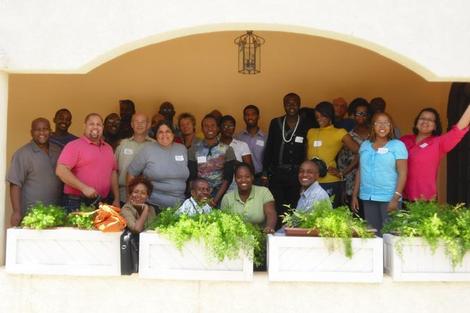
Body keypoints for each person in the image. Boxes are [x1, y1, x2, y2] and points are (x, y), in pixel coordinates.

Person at [352, 112, 408, 235]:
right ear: (373, 126)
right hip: (368, 197)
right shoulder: (365, 145)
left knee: (390, 235)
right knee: (373, 235)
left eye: (386, 123)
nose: (382, 126)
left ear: (391, 126)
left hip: (389, 198)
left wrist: (396, 198)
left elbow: (403, 173)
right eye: (378, 123)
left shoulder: (398, 146)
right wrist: (355, 195)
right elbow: (360, 171)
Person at [401, 105, 470, 201]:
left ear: (435, 126)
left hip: (425, 199)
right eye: (422, 118)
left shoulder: (438, 143)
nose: (425, 121)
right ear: (416, 122)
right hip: (401, 197)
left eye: (430, 120)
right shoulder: (404, 140)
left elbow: (459, 128)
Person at [56, 113, 120, 212]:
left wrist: (116, 198)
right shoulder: (74, 146)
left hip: (102, 202)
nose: (95, 127)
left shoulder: (108, 148)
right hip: (76, 201)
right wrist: (83, 188)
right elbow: (61, 171)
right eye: (91, 124)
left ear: (102, 127)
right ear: (84, 126)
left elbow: (113, 173)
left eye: (98, 124)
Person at [262, 93, 311, 223]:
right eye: (288, 103)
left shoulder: (306, 124)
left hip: (297, 174)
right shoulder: (275, 122)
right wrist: (265, 172)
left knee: (295, 206)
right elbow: (269, 148)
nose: (291, 105)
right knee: (278, 207)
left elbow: (308, 149)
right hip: (278, 173)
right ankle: (278, 235)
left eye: (294, 102)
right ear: (284, 105)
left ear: (299, 104)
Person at [7, 118, 62, 226]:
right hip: (31, 215)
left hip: (55, 213)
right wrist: (16, 212)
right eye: (38, 130)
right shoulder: (22, 154)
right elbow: (15, 184)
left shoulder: (57, 150)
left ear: (50, 131)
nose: (42, 133)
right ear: (31, 133)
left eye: (45, 129)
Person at [307, 101, 359, 207]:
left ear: (330, 116)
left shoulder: (339, 132)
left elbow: (361, 151)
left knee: (328, 218)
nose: (319, 119)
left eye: (322, 116)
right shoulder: (311, 132)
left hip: (329, 181)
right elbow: (307, 155)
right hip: (311, 181)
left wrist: (343, 172)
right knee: (311, 217)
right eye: (317, 117)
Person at [127, 120, 189, 209]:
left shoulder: (182, 149)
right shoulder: (147, 149)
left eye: (168, 131)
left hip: (180, 205)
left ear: (173, 134)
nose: (164, 135)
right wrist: (130, 199)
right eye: (160, 132)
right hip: (153, 205)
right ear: (156, 135)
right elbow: (131, 173)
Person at [188, 114, 236, 207]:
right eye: (206, 126)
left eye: (213, 125)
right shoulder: (193, 149)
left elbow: (228, 178)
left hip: (220, 194)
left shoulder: (227, 149)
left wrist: (215, 200)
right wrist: (195, 197)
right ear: (202, 129)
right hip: (199, 194)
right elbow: (192, 176)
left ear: (218, 128)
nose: (210, 128)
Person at [221, 163, 277, 234]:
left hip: (260, 237)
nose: (243, 180)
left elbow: (271, 213)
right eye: (239, 177)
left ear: (252, 177)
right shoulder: (227, 198)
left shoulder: (263, 192)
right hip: (235, 239)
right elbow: (224, 223)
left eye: (247, 177)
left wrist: (269, 227)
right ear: (235, 179)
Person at [336, 98, 371, 211]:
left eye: (364, 113)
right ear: (353, 116)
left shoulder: (376, 135)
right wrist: (343, 188)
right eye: (357, 113)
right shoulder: (348, 137)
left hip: (374, 187)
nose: (361, 116)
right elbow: (342, 163)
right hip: (352, 187)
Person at [115, 113, 155, 204]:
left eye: (142, 122)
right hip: (123, 196)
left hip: (149, 198)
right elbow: (114, 171)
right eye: (136, 122)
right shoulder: (122, 145)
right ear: (132, 124)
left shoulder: (155, 146)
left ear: (148, 125)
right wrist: (116, 197)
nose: (139, 125)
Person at [237, 105, 267, 182]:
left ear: (258, 116)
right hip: (243, 178)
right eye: (247, 115)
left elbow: (269, 158)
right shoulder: (238, 137)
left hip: (261, 177)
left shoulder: (266, 138)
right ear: (244, 117)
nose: (250, 117)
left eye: (253, 114)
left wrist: (265, 175)